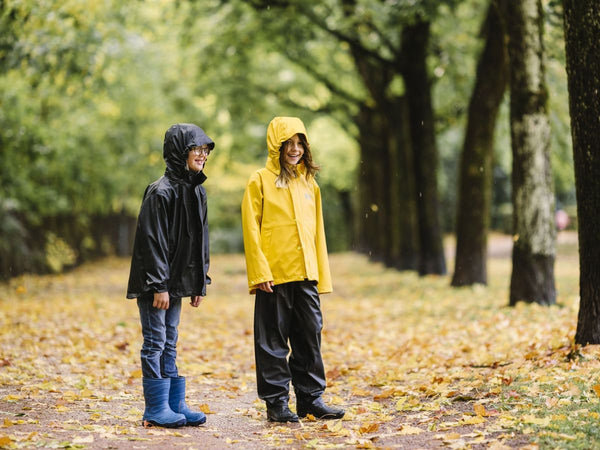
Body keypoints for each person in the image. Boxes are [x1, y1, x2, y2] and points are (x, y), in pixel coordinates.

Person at [241, 116, 345, 423]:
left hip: (305, 275)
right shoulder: (259, 180)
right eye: (289, 143)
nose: (295, 149)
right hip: (273, 276)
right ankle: (276, 403)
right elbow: (251, 229)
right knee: (272, 340)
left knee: (309, 335)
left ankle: (310, 399)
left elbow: (318, 233)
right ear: (277, 146)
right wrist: (260, 272)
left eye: (300, 143)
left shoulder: (309, 184)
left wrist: (319, 273)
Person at [126, 123, 214, 428]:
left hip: (175, 284)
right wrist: (159, 286)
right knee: (155, 341)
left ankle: (174, 404)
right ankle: (155, 407)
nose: (202, 155)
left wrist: (199, 280)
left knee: (171, 340)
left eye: (205, 150)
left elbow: (200, 239)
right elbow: (152, 243)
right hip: (156, 285)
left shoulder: (196, 191)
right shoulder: (159, 192)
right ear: (180, 151)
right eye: (196, 149)